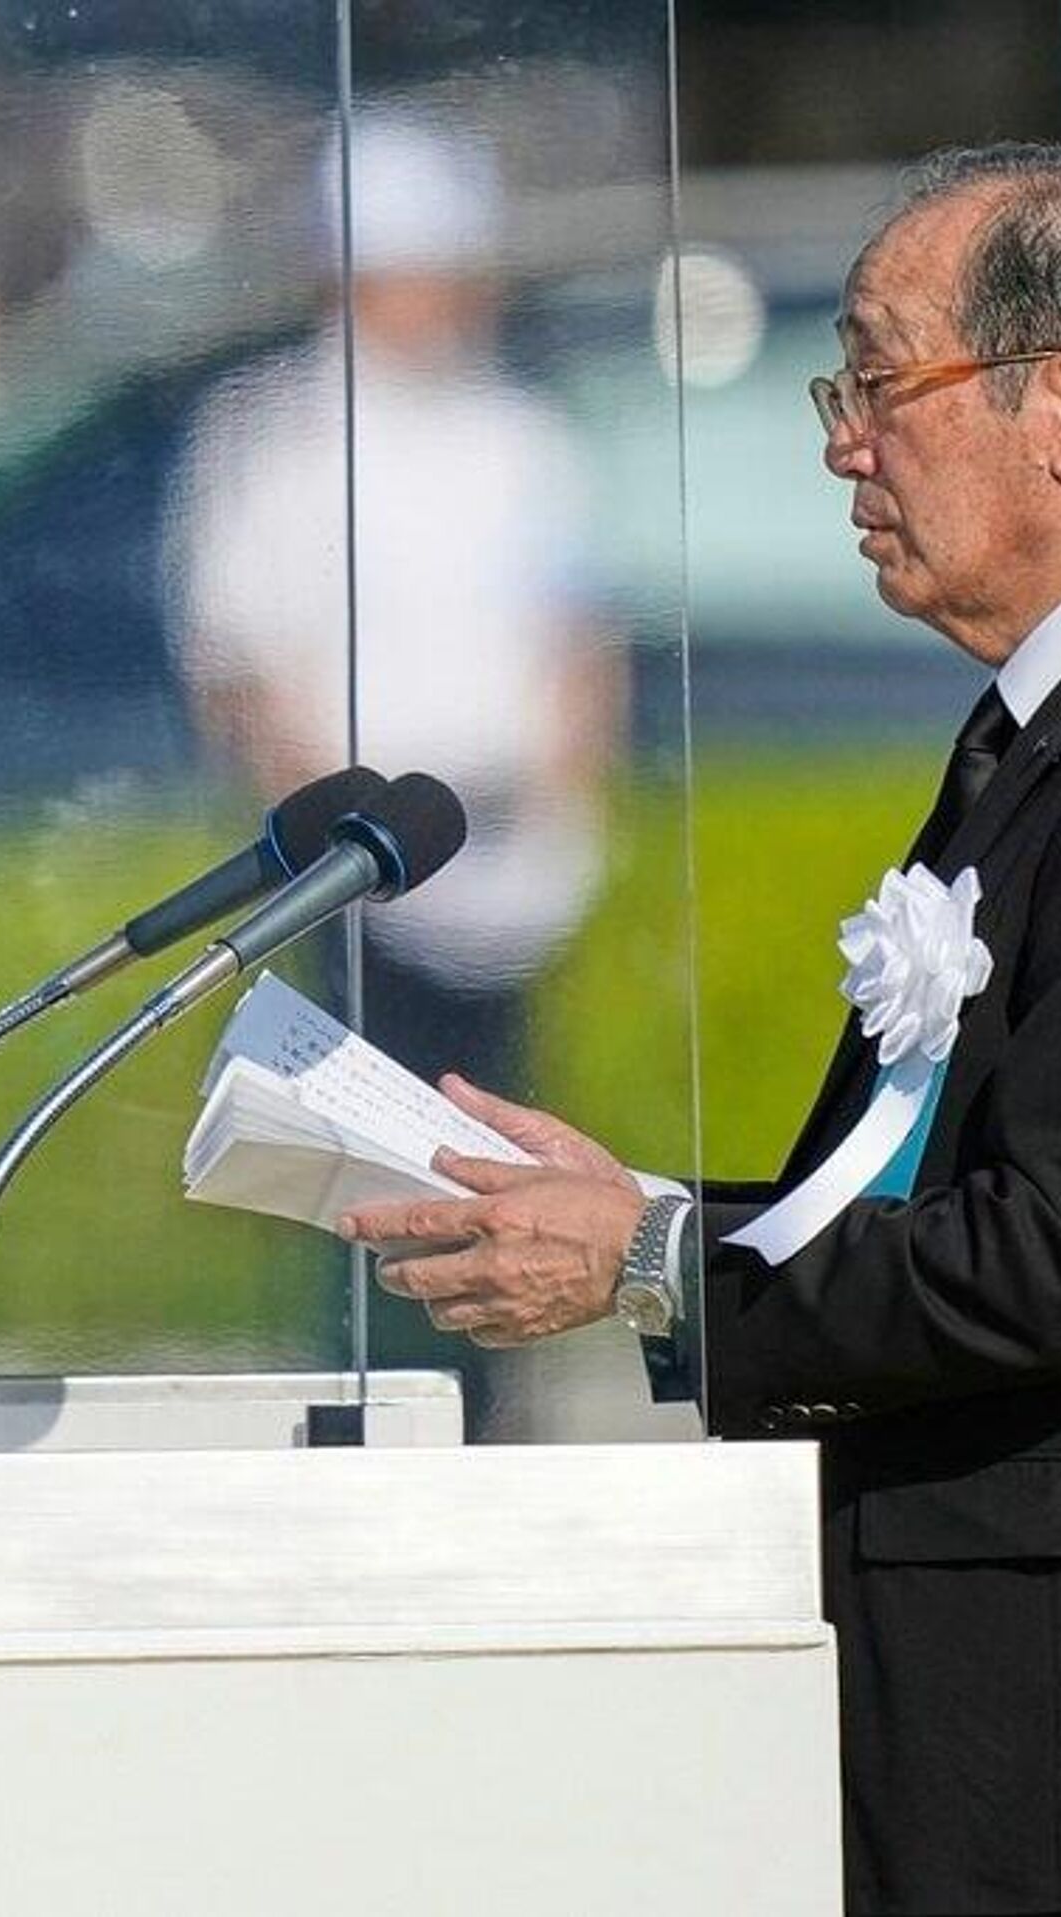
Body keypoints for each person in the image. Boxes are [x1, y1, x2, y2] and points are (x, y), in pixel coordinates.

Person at [339, 143, 1061, 1917]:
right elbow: (944, 1195)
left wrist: (653, 1264)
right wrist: (644, 1212)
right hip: (997, 1716)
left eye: (877, 382)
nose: (845, 445)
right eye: (837, 392)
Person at [170, 112, 623, 1431]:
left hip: (510, 874)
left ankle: (489, 1416)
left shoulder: (518, 433)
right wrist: (344, 841)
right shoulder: (270, 436)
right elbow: (243, 670)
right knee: (366, 1198)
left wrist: (560, 799)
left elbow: (579, 641)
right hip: (360, 888)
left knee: (500, 1173)